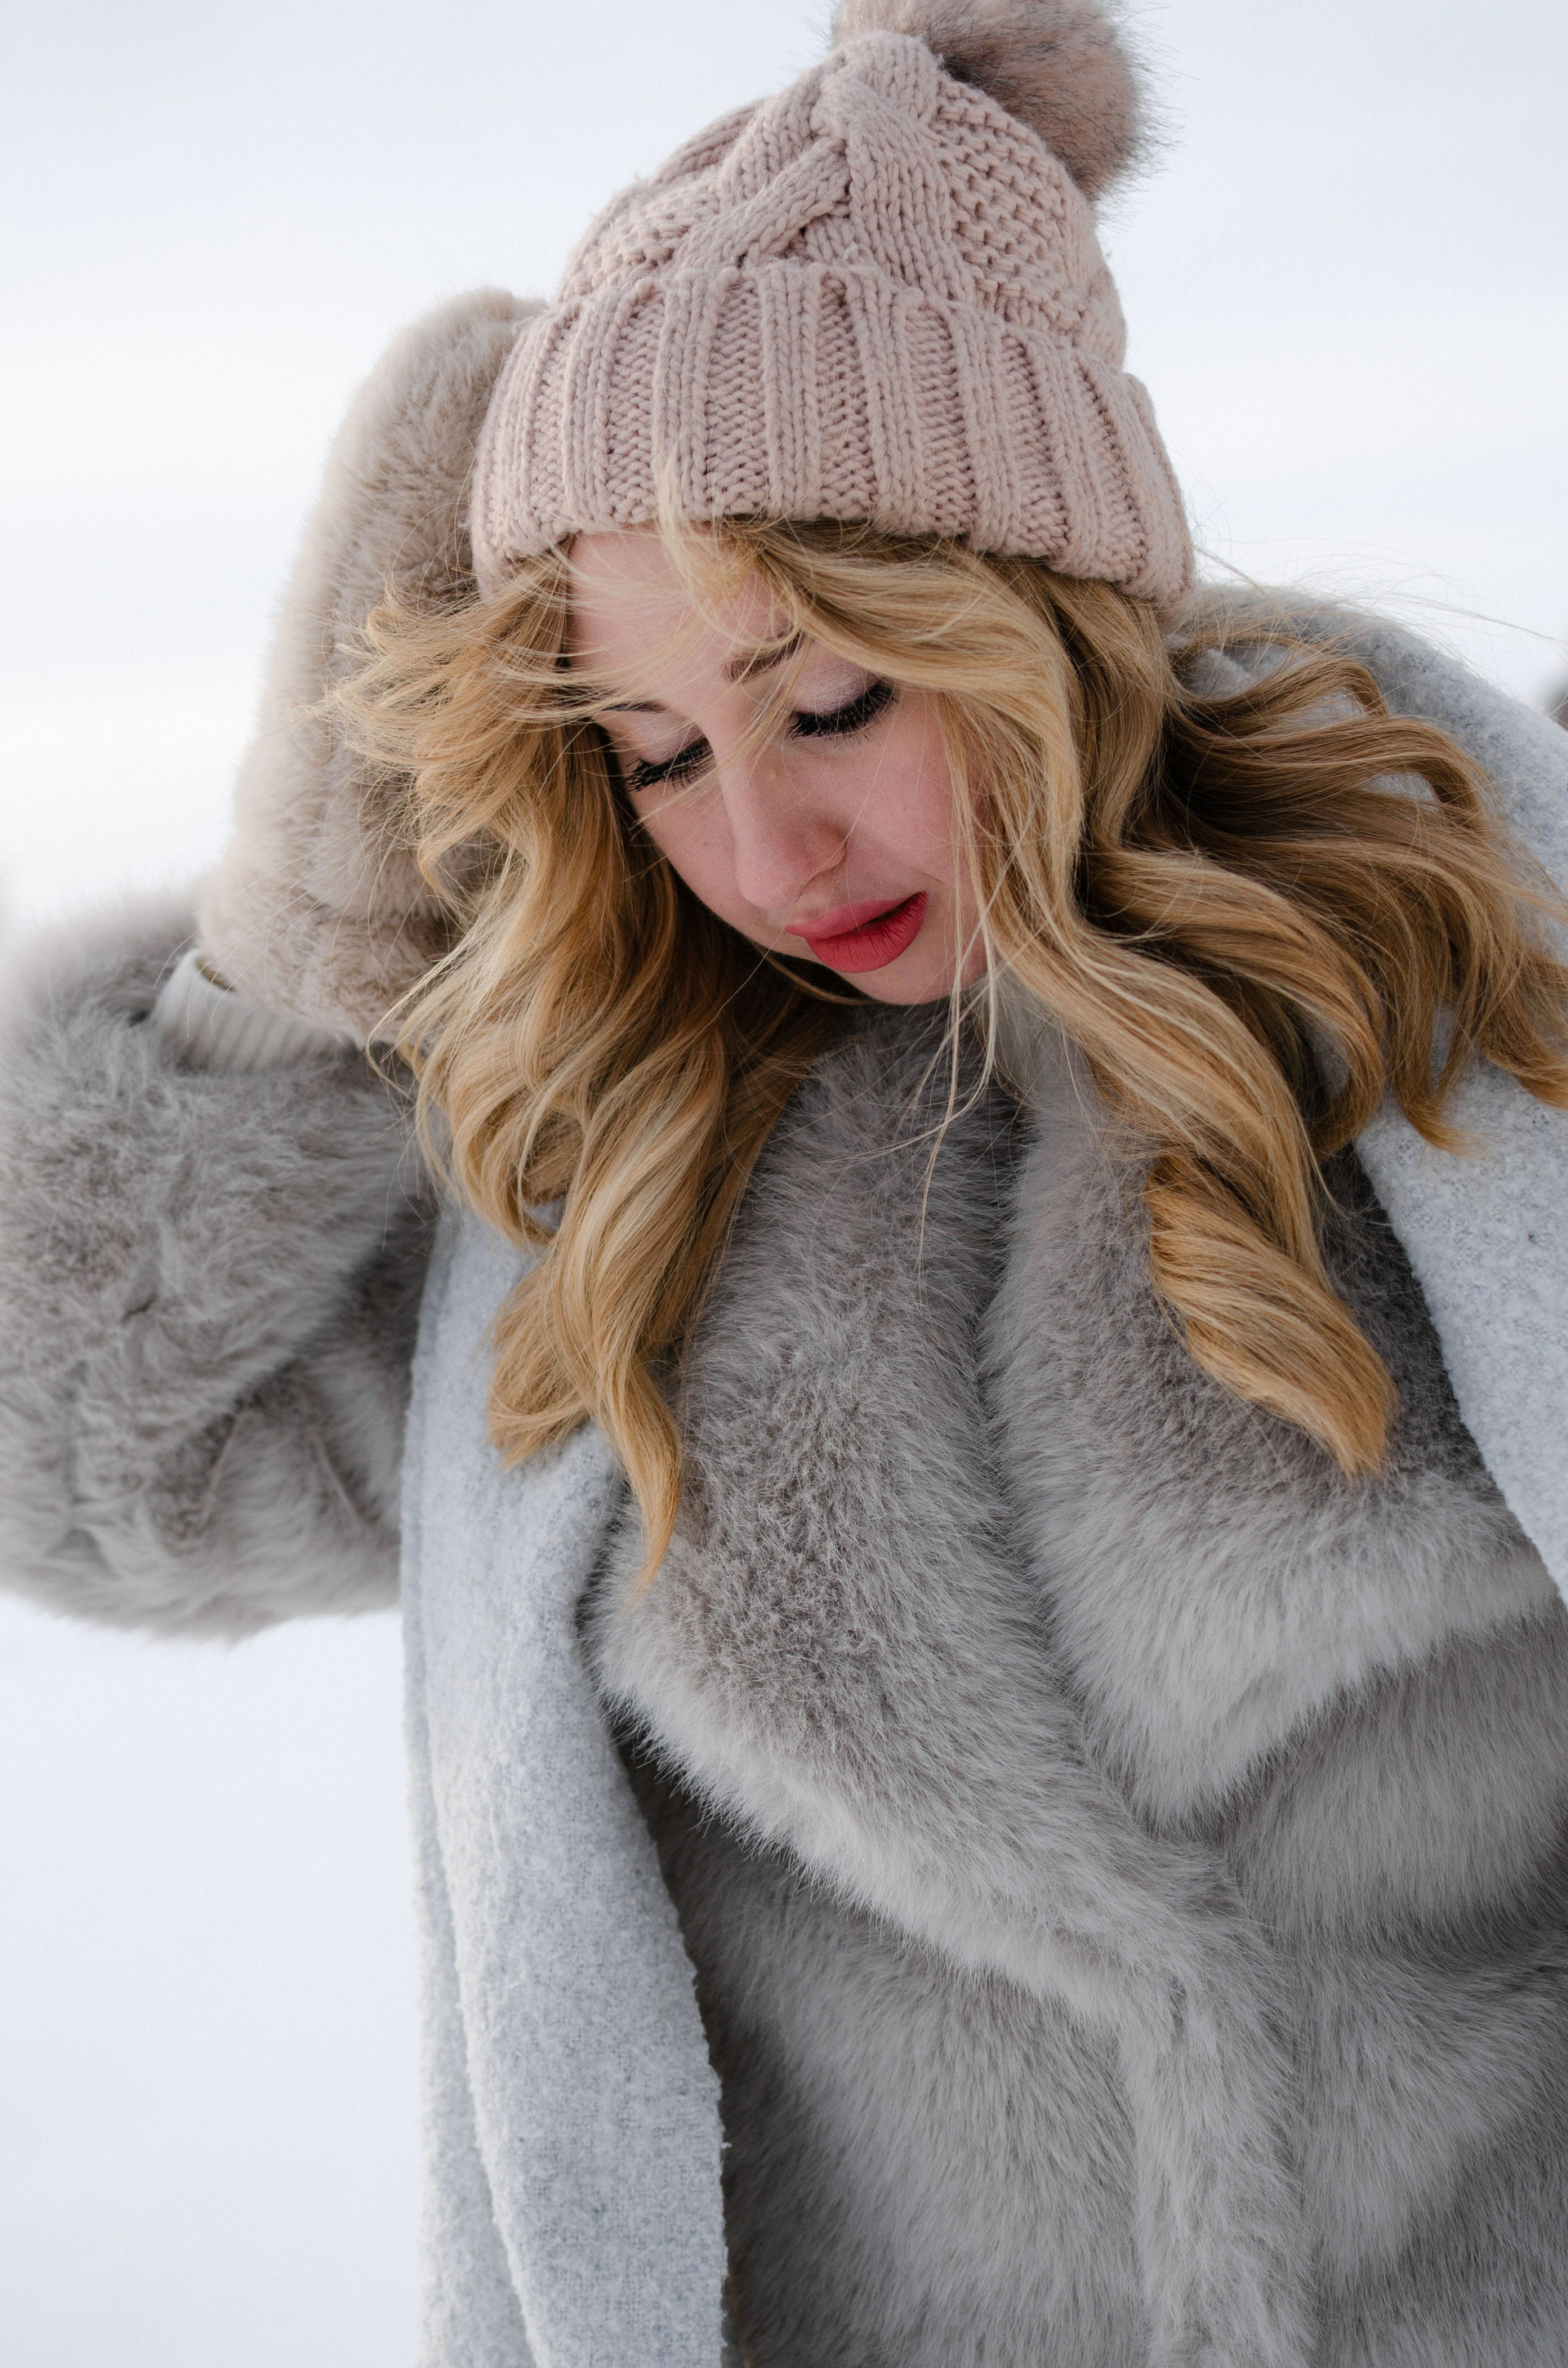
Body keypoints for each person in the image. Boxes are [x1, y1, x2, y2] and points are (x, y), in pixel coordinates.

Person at [3, 2, 1568, 2361]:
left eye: (832, 703)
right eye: (654, 755)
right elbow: (90, 1470)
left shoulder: (1461, 1006)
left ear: (1042, 613)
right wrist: (299, 951)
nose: (765, 850)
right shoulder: (604, 1145)